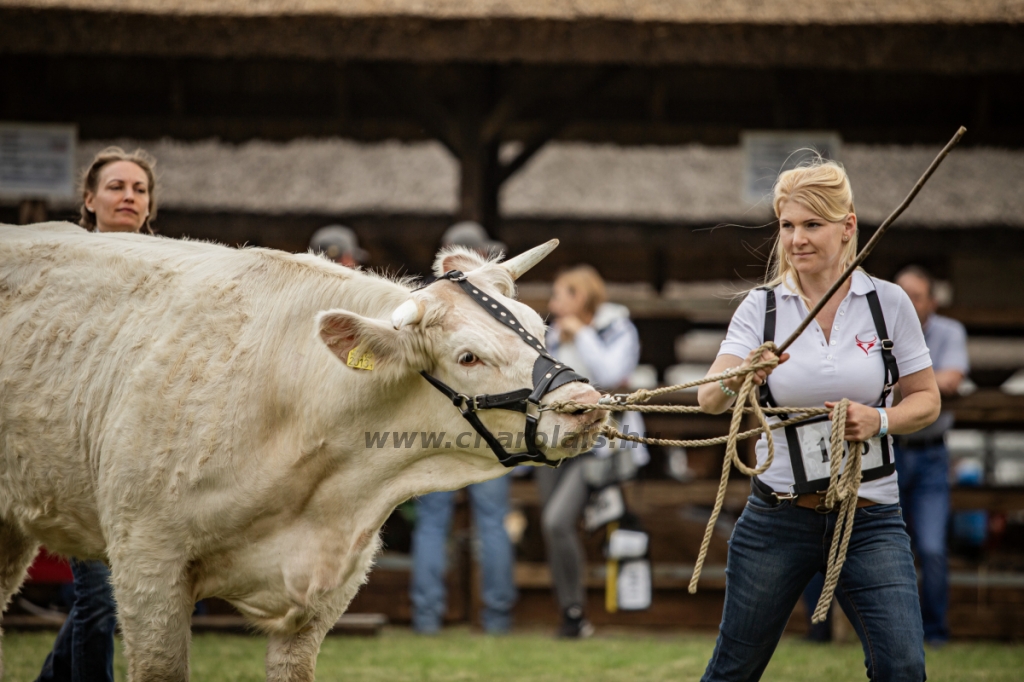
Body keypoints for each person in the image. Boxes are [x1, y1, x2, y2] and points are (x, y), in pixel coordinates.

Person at [696, 157, 940, 681]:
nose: (795, 239)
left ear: (847, 226)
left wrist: (878, 420)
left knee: (903, 668)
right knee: (733, 670)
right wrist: (741, 375)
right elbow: (707, 401)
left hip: (871, 517)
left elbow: (927, 401)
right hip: (777, 517)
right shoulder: (761, 308)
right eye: (787, 225)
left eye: (812, 225)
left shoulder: (888, 304)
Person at [36, 146, 158, 682]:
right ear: (89, 200)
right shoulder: (61, 268)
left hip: (146, 453)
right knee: (102, 597)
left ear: (150, 205)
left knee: (115, 595)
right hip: (77, 448)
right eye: (116, 187)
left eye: (139, 189)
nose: (129, 196)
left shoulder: (174, 277)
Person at [408, 221, 517, 634]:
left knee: (433, 522)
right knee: (492, 521)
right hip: (490, 430)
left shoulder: (422, 306)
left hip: (436, 428)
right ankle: (497, 620)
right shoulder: (497, 309)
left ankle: (427, 620)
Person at [537, 265, 649, 638]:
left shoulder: (619, 328)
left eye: (560, 295)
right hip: (556, 442)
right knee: (553, 529)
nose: (552, 304)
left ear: (580, 297)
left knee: (557, 521)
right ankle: (571, 614)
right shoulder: (554, 333)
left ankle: (580, 610)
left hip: (602, 445)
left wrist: (582, 335)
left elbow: (612, 374)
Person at [894, 265, 968, 645]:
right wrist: (925, 385)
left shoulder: (950, 332)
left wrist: (902, 386)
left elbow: (952, 379)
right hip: (887, 454)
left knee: (932, 549)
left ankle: (935, 633)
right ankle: (895, 635)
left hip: (930, 456)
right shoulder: (881, 329)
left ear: (932, 303)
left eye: (916, 296)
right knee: (888, 549)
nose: (907, 302)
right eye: (901, 294)